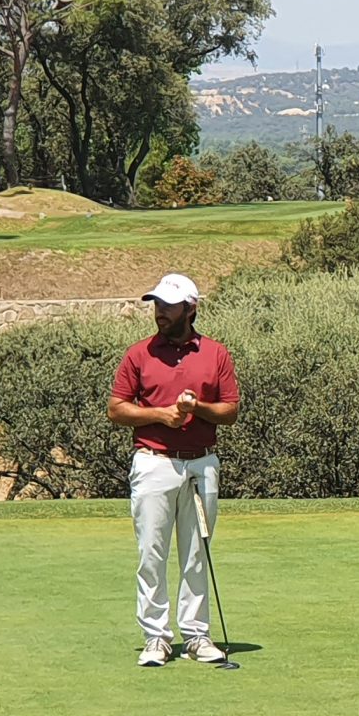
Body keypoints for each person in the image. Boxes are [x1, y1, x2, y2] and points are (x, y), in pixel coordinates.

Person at [109, 273, 242, 667]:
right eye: (157, 305)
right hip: (153, 463)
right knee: (151, 553)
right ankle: (156, 638)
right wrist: (160, 415)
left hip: (202, 464)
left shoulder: (215, 354)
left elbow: (230, 411)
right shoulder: (139, 354)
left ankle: (197, 636)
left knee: (196, 553)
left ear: (190, 308)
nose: (160, 312)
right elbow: (117, 409)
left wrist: (197, 408)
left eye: (168, 305)